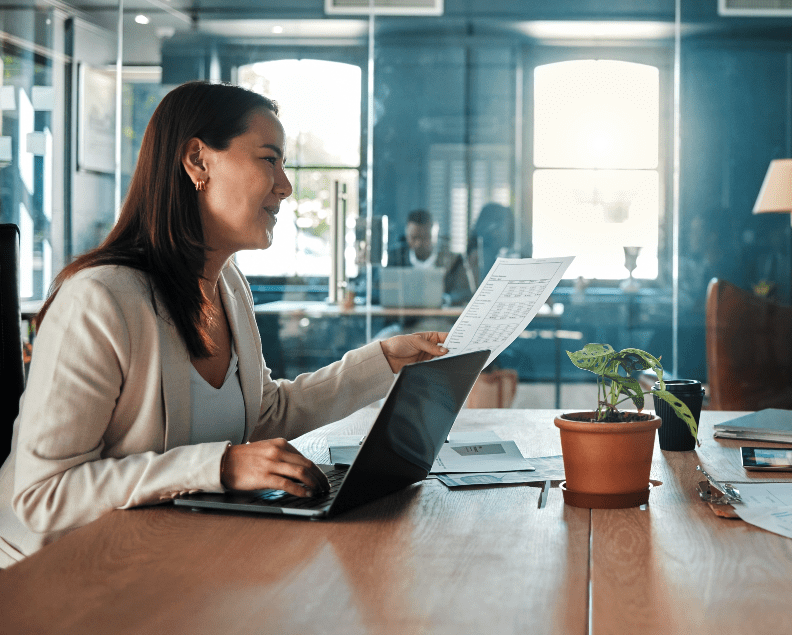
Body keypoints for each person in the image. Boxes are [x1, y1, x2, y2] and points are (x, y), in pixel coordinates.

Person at [0, 81, 448, 567]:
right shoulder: (99, 301)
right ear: (198, 161)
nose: (286, 185)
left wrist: (382, 362)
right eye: (268, 159)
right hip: (56, 572)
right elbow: (43, 494)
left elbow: (263, 414)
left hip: (167, 556)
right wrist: (221, 466)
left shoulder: (229, 286)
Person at [395, 208, 474, 306]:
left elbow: (466, 294)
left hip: (441, 318)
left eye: (425, 237)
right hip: (404, 319)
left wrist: (444, 299)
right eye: (414, 237)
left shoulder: (454, 260)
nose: (418, 243)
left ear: (435, 234)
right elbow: (376, 291)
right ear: (406, 234)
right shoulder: (395, 257)